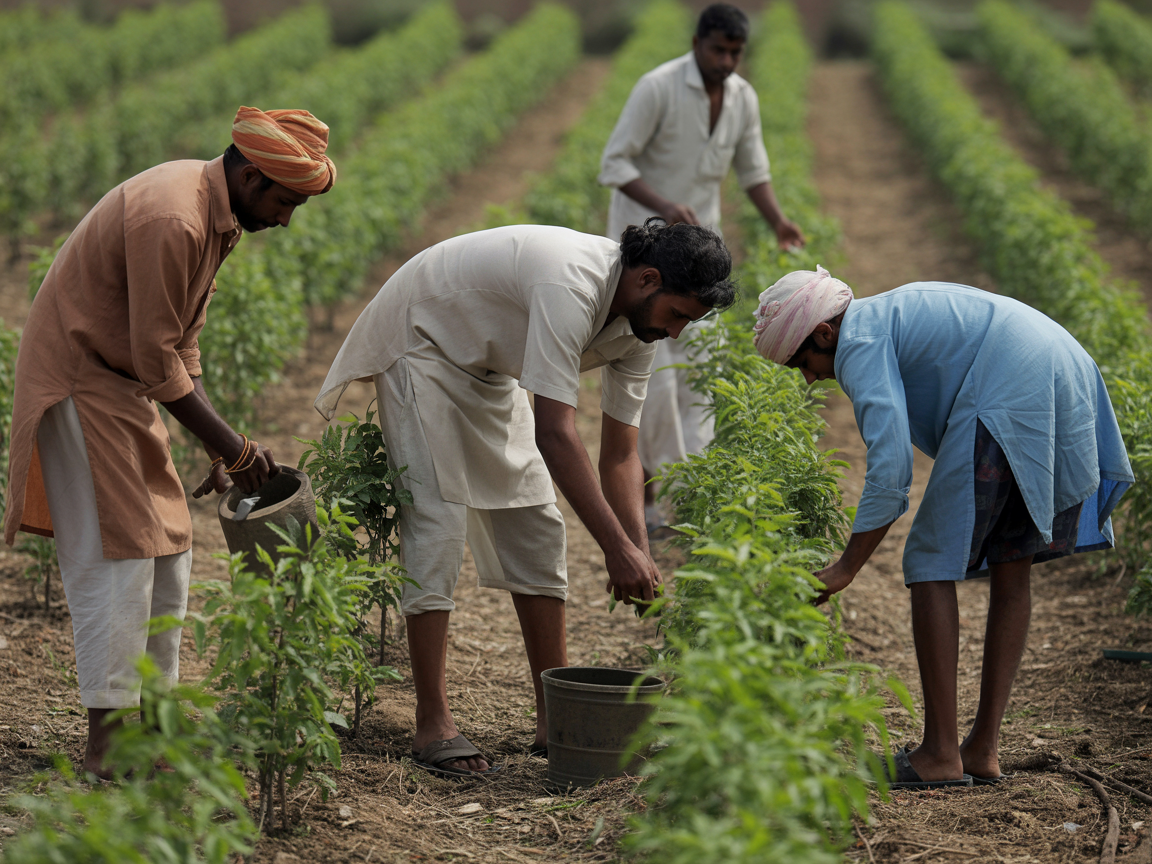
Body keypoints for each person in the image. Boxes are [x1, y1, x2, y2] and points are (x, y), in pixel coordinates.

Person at [316, 219, 735, 777]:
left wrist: (638, 549)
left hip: (488, 365)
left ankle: (553, 716)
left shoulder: (642, 328)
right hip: (424, 339)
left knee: (537, 525)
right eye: (679, 314)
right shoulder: (572, 286)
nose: (679, 332)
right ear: (647, 279)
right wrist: (614, 547)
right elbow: (555, 433)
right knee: (437, 523)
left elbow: (620, 454)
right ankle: (431, 721)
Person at [3, 106, 337, 779]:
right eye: (284, 202)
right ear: (249, 175)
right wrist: (237, 449)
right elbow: (157, 357)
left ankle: (154, 722)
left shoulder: (217, 217)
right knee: (116, 556)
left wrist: (221, 448)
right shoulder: (174, 217)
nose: (285, 219)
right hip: (82, 376)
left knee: (169, 547)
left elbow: (182, 342)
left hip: (122, 381)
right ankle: (105, 747)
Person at [751, 268, 1134, 788]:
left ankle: (938, 755)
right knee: (1010, 561)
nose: (810, 377)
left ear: (824, 333)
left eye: (804, 362)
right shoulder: (881, 316)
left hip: (1012, 384)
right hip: (1060, 368)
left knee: (929, 562)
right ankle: (980, 750)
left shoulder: (858, 339)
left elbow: (890, 469)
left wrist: (845, 568)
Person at [599, 3, 805, 530]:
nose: (728, 61)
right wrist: (665, 208)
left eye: (736, 52)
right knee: (654, 378)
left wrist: (779, 222)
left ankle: (694, 496)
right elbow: (615, 163)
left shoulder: (742, 98)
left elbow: (753, 170)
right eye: (719, 50)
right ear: (697, 43)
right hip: (649, 263)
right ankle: (653, 500)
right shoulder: (658, 87)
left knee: (704, 373)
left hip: (701, 262)